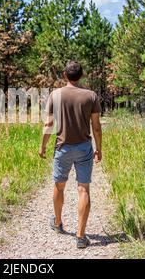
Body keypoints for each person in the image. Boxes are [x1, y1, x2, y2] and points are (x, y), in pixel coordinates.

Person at [39, 60, 103, 249]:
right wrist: (99, 148)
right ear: (82, 75)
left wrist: (42, 146)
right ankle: (81, 236)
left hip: (62, 147)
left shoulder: (55, 95)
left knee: (59, 186)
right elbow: (96, 127)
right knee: (83, 189)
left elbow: (49, 125)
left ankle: (58, 223)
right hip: (84, 147)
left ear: (64, 75)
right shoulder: (91, 96)